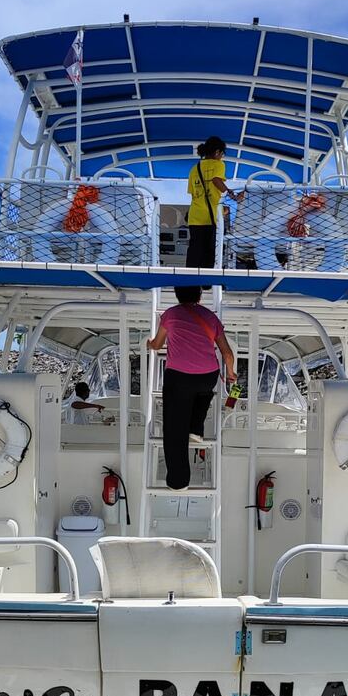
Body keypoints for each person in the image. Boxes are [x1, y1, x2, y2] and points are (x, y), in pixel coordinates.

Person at [147, 286, 236, 490]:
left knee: (174, 428)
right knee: (203, 393)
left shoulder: (170, 315)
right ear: (200, 295)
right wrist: (230, 373)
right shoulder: (211, 318)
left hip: (178, 377)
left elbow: (158, 344)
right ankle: (196, 427)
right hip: (207, 376)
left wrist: (150, 344)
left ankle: (178, 482)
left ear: (177, 296)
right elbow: (227, 354)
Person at [186, 136, 243, 268]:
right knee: (211, 251)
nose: (222, 157)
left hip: (195, 216)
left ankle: (189, 285)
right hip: (211, 216)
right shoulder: (218, 164)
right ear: (217, 152)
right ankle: (207, 283)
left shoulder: (195, 168)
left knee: (194, 252)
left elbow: (193, 193)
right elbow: (216, 180)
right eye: (222, 154)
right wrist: (232, 195)